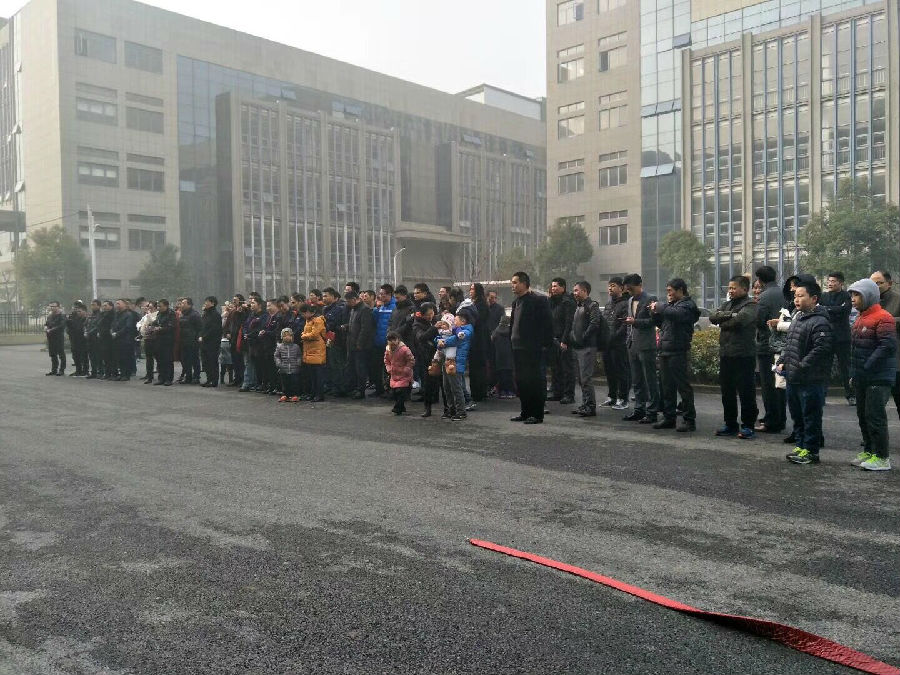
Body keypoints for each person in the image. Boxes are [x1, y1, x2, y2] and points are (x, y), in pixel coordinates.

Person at [777, 280, 833, 465]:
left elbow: (821, 349)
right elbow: (789, 344)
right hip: (794, 377)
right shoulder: (798, 318)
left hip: (811, 379)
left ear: (814, 298)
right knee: (798, 415)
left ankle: (811, 451)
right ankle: (801, 446)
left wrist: (801, 365)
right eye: (795, 296)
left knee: (811, 417)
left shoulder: (820, 321)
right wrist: (782, 361)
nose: (796, 299)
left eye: (801, 296)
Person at [847, 278, 895, 471]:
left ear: (869, 295)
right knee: (863, 416)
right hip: (862, 376)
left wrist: (867, 366)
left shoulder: (883, 317)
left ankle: (882, 457)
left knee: (875, 417)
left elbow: (887, 346)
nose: (853, 298)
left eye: (857, 295)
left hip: (878, 377)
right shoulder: (860, 317)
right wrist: (855, 373)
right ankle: (869, 451)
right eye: (852, 295)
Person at [709, 275, 759, 438]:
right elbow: (712, 316)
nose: (730, 291)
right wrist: (731, 315)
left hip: (744, 355)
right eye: (729, 288)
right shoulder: (727, 304)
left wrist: (723, 320)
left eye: (733, 288)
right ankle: (730, 424)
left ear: (744, 289)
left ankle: (748, 425)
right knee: (727, 392)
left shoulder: (751, 305)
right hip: (726, 354)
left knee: (746, 392)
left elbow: (740, 321)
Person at [651, 279, 700, 432]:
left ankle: (689, 420)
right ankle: (669, 418)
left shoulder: (688, 305)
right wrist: (654, 313)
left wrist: (661, 307)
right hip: (665, 350)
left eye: (670, 291)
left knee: (683, 387)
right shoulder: (671, 306)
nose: (669, 294)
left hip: (679, 351)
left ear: (680, 290)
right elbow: (662, 324)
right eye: (667, 291)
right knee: (666, 387)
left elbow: (677, 315)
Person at [509, 271, 553, 424]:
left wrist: (544, 345)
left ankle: (537, 414)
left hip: (532, 349)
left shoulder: (538, 301)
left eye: (515, 282)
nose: (512, 286)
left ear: (524, 283)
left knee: (534, 381)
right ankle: (525, 412)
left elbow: (547, 324)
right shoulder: (516, 302)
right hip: (517, 348)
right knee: (522, 382)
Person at [623, 274, 659, 424]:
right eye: (627, 289)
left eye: (631, 289)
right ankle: (639, 410)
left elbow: (654, 321)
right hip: (632, 345)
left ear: (639, 285)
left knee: (650, 381)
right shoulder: (630, 300)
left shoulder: (651, 299)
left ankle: (652, 412)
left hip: (646, 345)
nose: (629, 292)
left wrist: (635, 321)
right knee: (636, 381)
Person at [754, 266, 786, 433]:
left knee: (768, 385)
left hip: (767, 345)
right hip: (782, 345)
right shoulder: (783, 293)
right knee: (779, 384)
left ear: (760, 280)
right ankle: (780, 418)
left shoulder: (764, 296)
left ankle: (771, 420)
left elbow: (759, 320)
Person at [567, 281, 603, 417]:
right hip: (577, 346)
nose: (574, 293)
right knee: (581, 379)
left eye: (577, 290)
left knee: (586, 378)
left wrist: (583, 337)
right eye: (574, 291)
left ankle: (590, 406)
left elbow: (595, 323)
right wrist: (572, 337)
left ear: (585, 291)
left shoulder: (592, 305)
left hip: (587, 347)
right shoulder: (578, 306)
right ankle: (585, 404)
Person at [869, 271, 900, 421]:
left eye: (879, 283)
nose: (875, 286)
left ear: (889, 284)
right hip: (875, 361)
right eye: (872, 283)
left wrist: (886, 320)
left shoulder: (897, 300)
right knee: (875, 406)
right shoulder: (868, 301)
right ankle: (876, 434)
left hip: (896, 360)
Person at [820, 272, 853, 405]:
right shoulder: (823, 296)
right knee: (824, 367)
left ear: (841, 283)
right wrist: (835, 309)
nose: (830, 283)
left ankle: (851, 395)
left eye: (833, 281)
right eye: (829, 281)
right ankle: (821, 395)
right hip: (827, 336)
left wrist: (827, 309)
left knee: (846, 367)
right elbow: (819, 310)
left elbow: (845, 310)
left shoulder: (847, 296)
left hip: (843, 337)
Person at [601, 277, 630, 410]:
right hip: (607, 344)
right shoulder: (608, 304)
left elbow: (624, 325)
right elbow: (604, 323)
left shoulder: (625, 304)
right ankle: (612, 397)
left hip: (618, 344)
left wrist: (613, 337)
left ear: (621, 288)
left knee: (621, 372)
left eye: (613, 285)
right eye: (609, 286)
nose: (610, 288)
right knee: (609, 371)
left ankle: (623, 399)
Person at [438, 313, 473, 421]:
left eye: (455, 320)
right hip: (447, 361)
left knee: (456, 388)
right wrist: (439, 341)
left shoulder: (466, 331)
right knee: (447, 387)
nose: (454, 323)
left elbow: (455, 339)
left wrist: (443, 342)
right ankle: (451, 410)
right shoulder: (452, 331)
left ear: (463, 321)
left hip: (456, 363)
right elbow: (438, 340)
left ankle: (461, 411)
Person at [548, 278, 576, 405]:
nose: (553, 288)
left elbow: (569, 323)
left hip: (564, 339)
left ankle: (569, 395)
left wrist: (564, 340)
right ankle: (557, 392)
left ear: (563, 287)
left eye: (556, 286)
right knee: (556, 368)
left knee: (567, 368)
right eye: (552, 286)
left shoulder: (568, 302)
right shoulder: (553, 301)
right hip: (553, 339)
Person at [343, 291, 374, 399]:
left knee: (360, 368)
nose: (347, 304)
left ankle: (361, 390)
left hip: (360, 346)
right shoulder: (353, 309)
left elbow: (365, 329)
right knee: (351, 368)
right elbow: (355, 325)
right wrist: (347, 326)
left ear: (354, 299)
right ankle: (352, 388)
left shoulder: (364, 309)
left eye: (348, 301)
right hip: (351, 343)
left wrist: (360, 343)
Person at [412, 302, 441, 418]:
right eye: (428, 314)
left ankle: (446, 407)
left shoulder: (436, 319)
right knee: (427, 382)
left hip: (438, 353)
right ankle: (427, 407)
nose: (431, 316)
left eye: (432, 313)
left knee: (441, 381)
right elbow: (421, 337)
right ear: (422, 314)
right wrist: (434, 328)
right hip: (425, 355)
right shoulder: (417, 324)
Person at [371, 284, 396, 396]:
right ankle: (379, 389)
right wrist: (376, 309)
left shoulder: (394, 306)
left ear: (389, 294)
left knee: (389, 368)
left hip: (389, 342)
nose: (380, 296)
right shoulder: (380, 307)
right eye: (379, 294)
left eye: (382, 294)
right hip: (378, 341)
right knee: (376, 366)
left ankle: (390, 389)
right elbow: (375, 321)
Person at [322, 287, 347, 396]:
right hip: (327, 340)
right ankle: (330, 385)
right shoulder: (325, 309)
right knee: (329, 365)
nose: (324, 298)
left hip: (336, 341)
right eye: (323, 296)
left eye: (326, 296)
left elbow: (332, 325)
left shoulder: (338, 309)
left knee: (336, 365)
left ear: (333, 297)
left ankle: (339, 387)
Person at [300, 303, 327, 402]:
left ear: (308, 312)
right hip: (310, 350)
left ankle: (319, 394)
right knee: (312, 375)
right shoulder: (308, 320)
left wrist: (303, 336)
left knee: (318, 375)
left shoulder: (318, 320)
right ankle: (313, 393)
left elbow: (314, 334)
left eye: (304, 313)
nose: (303, 315)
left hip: (317, 350)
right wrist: (305, 335)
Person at [384, 330, 415, 415]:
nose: (392, 342)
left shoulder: (404, 349)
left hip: (404, 374)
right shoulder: (388, 350)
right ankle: (401, 406)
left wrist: (407, 369)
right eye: (390, 340)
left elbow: (411, 360)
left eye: (394, 339)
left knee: (400, 391)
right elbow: (386, 361)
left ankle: (397, 408)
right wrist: (389, 368)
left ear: (398, 339)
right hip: (394, 374)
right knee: (394, 393)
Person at [111, 298, 137, 381]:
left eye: (119, 303)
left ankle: (126, 375)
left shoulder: (129, 314)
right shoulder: (117, 314)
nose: (117, 305)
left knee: (126, 358)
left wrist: (117, 333)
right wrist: (112, 331)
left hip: (126, 339)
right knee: (119, 358)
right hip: (117, 339)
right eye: (116, 303)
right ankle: (122, 373)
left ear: (125, 305)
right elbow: (113, 324)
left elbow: (128, 327)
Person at [152, 299, 176, 385]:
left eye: (160, 306)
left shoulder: (171, 314)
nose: (158, 308)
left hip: (167, 340)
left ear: (166, 306)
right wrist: (151, 326)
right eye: (158, 306)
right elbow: (155, 322)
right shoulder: (159, 314)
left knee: (167, 360)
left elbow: (171, 327)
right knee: (160, 360)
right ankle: (161, 378)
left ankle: (168, 379)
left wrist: (160, 329)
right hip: (158, 339)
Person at [199, 296, 222, 387]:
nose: (205, 303)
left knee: (212, 361)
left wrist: (204, 336)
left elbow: (214, 329)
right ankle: (209, 379)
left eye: (207, 302)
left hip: (212, 342)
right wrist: (200, 335)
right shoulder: (205, 313)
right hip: (204, 341)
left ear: (212, 303)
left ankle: (214, 380)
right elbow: (202, 326)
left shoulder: (215, 315)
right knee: (205, 362)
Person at [177, 298, 202, 384]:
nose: (181, 305)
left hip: (193, 341)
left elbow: (200, 328)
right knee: (185, 360)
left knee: (194, 359)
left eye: (183, 303)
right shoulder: (182, 314)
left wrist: (198, 338)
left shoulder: (195, 315)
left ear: (189, 305)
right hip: (183, 340)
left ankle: (196, 377)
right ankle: (188, 377)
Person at [274, 327, 302, 402]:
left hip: (294, 368)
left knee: (294, 382)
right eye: (285, 336)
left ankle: (295, 395)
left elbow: (299, 355)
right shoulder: (279, 346)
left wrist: (298, 363)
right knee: (285, 383)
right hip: (283, 368)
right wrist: (279, 363)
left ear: (292, 336)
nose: (287, 337)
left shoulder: (296, 346)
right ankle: (285, 395)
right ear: (282, 337)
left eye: (289, 335)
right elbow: (277, 356)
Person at [491, 315, 515, 398]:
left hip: (499, 356)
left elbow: (492, 341)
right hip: (509, 356)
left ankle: (501, 391)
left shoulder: (496, 331)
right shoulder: (511, 331)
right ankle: (510, 391)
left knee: (501, 374)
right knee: (509, 374)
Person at [65, 301, 89, 377]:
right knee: (76, 355)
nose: (77, 311)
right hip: (74, 338)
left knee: (83, 356)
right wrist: (68, 325)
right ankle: (78, 370)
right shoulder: (74, 317)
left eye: (79, 310)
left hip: (82, 339)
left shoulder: (86, 319)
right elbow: (70, 328)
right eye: (75, 308)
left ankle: (85, 371)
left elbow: (81, 328)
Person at [138, 301, 159, 383]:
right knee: (149, 358)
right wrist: (140, 327)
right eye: (148, 307)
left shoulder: (157, 314)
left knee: (158, 357)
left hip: (155, 338)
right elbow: (140, 322)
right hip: (147, 337)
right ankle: (149, 375)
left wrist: (149, 314)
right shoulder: (146, 315)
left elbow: (153, 322)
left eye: (150, 307)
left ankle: (161, 374)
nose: (149, 308)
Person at [44, 301, 67, 376]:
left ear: (58, 307)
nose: (52, 308)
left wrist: (51, 330)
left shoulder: (62, 315)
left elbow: (61, 326)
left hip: (58, 337)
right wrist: (45, 327)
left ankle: (62, 370)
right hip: (51, 337)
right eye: (51, 306)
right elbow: (46, 323)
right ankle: (54, 370)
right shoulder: (50, 316)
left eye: (54, 306)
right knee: (53, 354)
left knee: (61, 354)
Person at [84, 300, 103, 379]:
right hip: (89, 339)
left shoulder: (100, 315)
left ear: (99, 306)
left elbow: (98, 326)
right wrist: (85, 331)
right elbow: (85, 324)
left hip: (96, 338)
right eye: (91, 305)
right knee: (91, 356)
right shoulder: (90, 315)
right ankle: (93, 372)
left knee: (98, 356)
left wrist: (89, 332)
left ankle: (100, 372)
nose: (92, 306)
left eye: (94, 305)